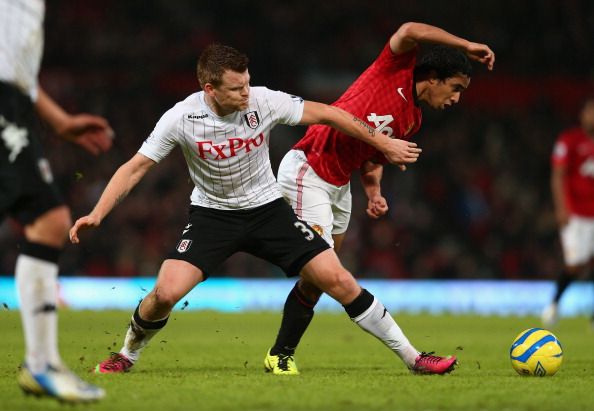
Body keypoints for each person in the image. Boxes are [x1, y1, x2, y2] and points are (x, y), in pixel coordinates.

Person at [67, 43, 451, 377]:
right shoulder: (181, 118)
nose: (247, 93)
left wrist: (381, 144)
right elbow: (135, 166)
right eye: (237, 88)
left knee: (339, 280)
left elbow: (330, 113)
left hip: (269, 211)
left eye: (248, 82)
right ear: (210, 89)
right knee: (166, 293)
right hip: (212, 216)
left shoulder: (264, 100)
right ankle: (126, 354)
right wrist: (98, 213)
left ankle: (414, 358)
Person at [264, 21, 495, 375]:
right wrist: (466, 46)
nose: (456, 99)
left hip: (339, 186)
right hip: (308, 168)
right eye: (456, 87)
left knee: (316, 281)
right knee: (332, 275)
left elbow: (371, 157)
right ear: (432, 77)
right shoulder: (394, 69)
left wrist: (374, 191)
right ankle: (413, 357)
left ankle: (279, 354)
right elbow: (410, 29)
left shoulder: (412, 120)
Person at [1, 0, 113, 402]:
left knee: (48, 219)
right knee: (49, 218)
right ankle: (42, 363)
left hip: (13, 101)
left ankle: (41, 363)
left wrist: (59, 120)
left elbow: (15, 66)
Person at [542, 97, 594, 328]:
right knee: (575, 265)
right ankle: (554, 303)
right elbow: (558, 175)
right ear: (583, 114)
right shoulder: (570, 140)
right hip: (576, 215)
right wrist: (562, 208)